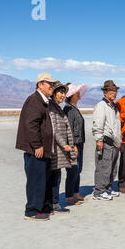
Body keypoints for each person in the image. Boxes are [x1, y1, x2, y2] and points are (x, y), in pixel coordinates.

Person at [16, 72, 56, 221]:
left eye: (53, 84)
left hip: (44, 149)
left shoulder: (44, 101)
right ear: (40, 85)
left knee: (43, 179)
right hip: (36, 150)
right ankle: (32, 211)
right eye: (49, 84)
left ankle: (43, 206)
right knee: (36, 180)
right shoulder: (34, 100)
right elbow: (31, 125)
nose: (52, 87)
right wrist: (37, 145)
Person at [48, 81, 78, 213]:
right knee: (54, 176)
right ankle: (53, 203)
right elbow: (54, 130)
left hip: (59, 150)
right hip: (55, 149)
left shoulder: (57, 108)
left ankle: (53, 202)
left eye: (64, 92)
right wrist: (64, 144)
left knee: (56, 175)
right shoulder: (51, 108)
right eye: (60, 92)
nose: (63, 95)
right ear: (53, 93)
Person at [92, 80, 122, 201]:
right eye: (111, 91)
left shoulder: (113, 106)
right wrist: (99, 139)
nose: (114, 93)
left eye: (115, 91)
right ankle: (99, 191)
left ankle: (108, 188)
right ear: (105, 92)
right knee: (103, 166)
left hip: (114, 141)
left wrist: (118, 141)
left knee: (112, 167)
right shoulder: (101, 106)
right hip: (105, 140)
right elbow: (98, 124)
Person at [64, 84, 89, 204]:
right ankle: (69, 196)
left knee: (78, 169)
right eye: (76, 92)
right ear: (70, 95)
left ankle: (75, 192)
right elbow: (68, 129)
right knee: (73, 170)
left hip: (80, 143)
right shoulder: (68, 109)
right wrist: (72, 145)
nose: (78, 93)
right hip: (74, 144)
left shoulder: (74, 108)